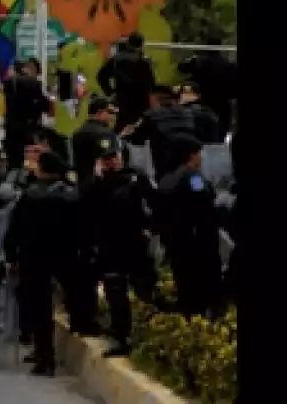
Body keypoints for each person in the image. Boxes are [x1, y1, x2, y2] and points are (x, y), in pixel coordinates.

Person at [4, 150, 82, 377]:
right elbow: (82, 227)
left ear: (41, 169)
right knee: (74, 295)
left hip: (34, 257)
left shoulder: (30, 195)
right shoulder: (71, 195)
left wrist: (11, 256)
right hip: (65, 255)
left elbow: (14, 229)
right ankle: (80, 323)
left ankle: (44, 357)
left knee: (39, 307)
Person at [85, 138, 156, 357]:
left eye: (114, 157)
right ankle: (122, 338)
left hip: (135, 246)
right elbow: (88, 212)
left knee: (146, 291)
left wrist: (150, 229)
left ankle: (153, 339)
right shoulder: (98, 185)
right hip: (110, 248)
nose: (112, 162)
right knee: (116, 294)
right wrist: (96, 179)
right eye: (107, 159)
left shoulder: (135, 179)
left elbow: (154, 205)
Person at [155, 137, 222, 317]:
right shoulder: (193, 177)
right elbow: (204, 199)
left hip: (177, 241)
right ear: (191, 155)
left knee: (185, 283)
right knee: (203, 284)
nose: (201, 158)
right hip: (198, 241)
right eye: (199, 154)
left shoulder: (167, 178)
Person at [98, 33, 157, 131]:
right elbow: (151, 84)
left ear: (128, 44)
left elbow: (101, 76)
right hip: (140, 101)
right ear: (142, 45)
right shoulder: (144, 62)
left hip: (122, 99)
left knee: (121, 126)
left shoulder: (115, 59)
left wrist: (110, 92)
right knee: (139, 128)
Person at [71, 97, 121, 182]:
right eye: (110, 112)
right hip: (104, 187)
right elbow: (113, 163)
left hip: (83, 186)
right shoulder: (105, 133)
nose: (112, 117)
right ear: (99, 113)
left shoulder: (77, 132)